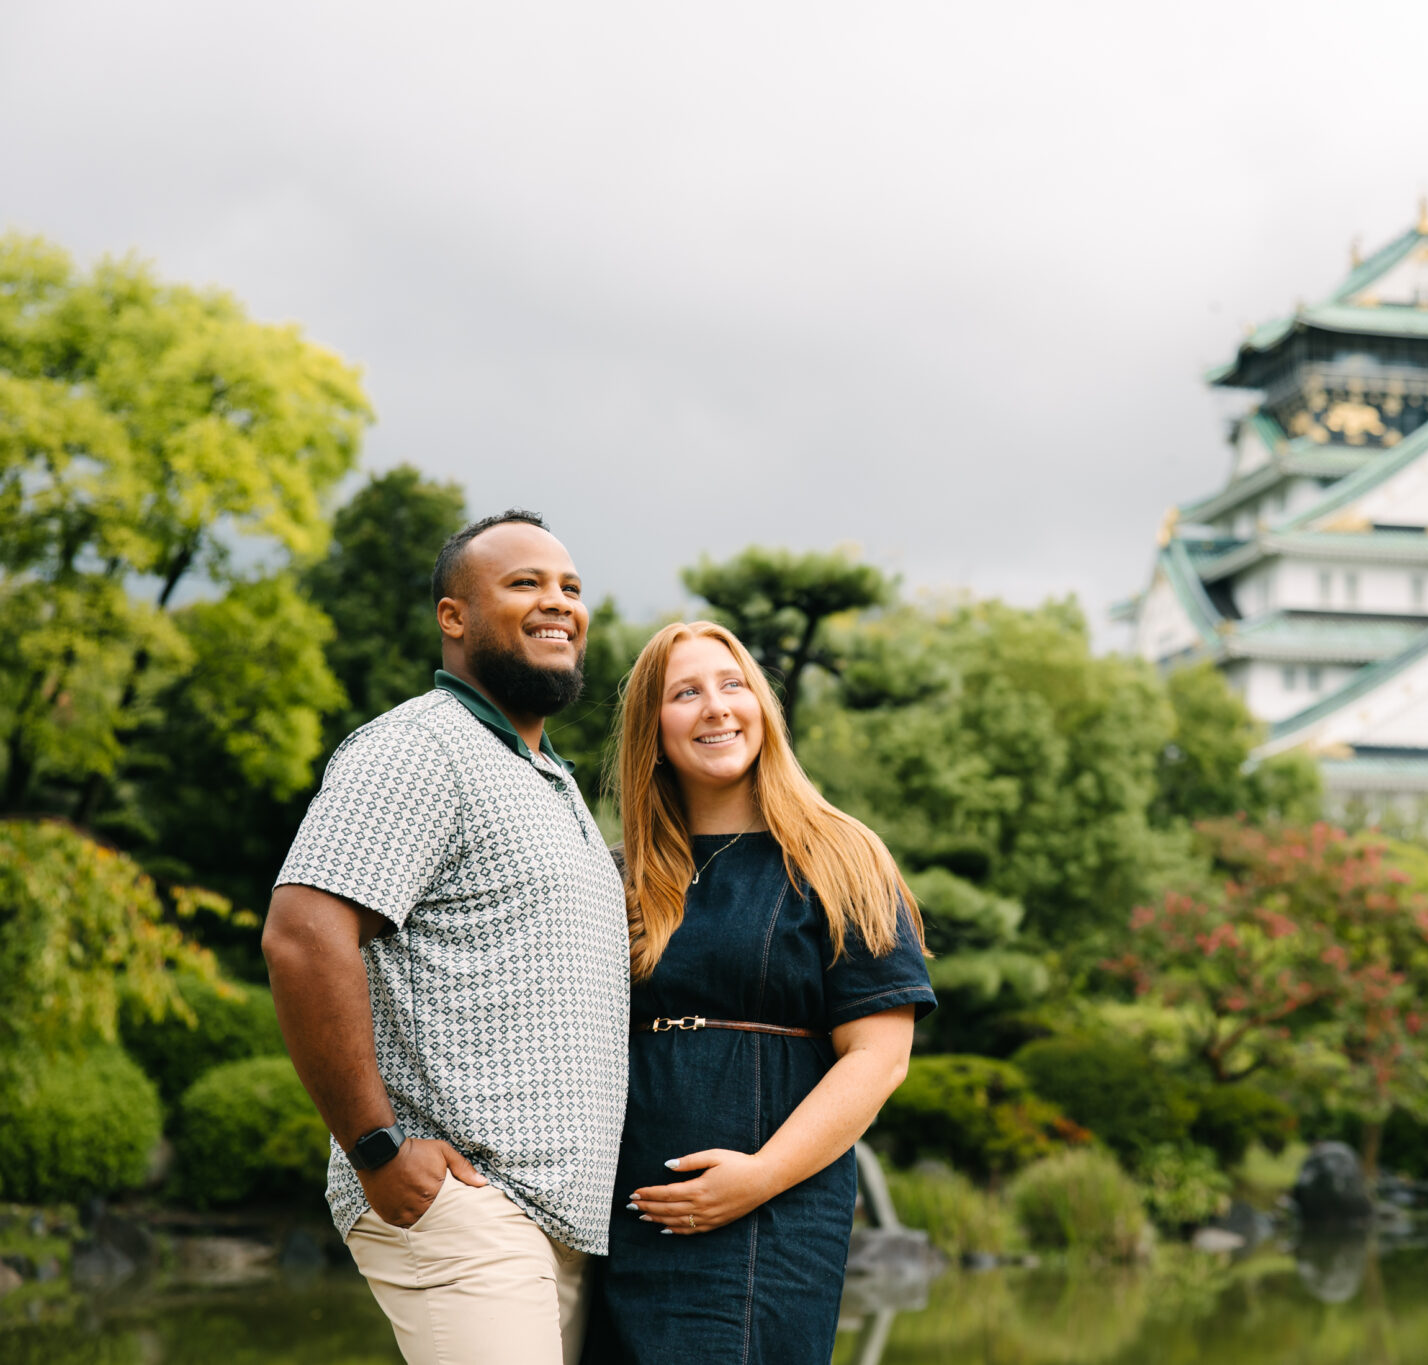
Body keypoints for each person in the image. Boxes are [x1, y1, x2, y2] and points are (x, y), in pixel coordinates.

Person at [263, 510, 630, 1365]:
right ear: (453, 616)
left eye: (570, 588)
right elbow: (303, 933)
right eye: (525, 583)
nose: (558, 602)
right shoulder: (420, 745)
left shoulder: (547, 778)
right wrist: (375, 1146)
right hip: (466, 1203)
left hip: (559, 1224)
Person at [589, 621, 934, 1365]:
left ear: (763, 708)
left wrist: (757, 1178)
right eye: (685, 693)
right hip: (623, 1219)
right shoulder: (614, 876)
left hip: (769, 1218)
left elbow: (880, 1058)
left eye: (732, 684)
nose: (715, 706)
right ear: (653, 728)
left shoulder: (840, 856)